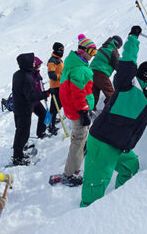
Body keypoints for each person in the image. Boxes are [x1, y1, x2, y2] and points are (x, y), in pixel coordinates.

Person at [80, 26, 147, 207]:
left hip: (119, 145)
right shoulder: (126, 84)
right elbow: (128, 61)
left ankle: (121, 202)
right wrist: (133, 38)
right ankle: (88, 217)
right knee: (94, 187)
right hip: (102, 142)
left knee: (130, 167)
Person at [54, 34, 97, 187]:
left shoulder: (75, 64)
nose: (93, 55)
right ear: (83, 51)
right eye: (92, 52)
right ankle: (69, 174)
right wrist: (84, 111)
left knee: (80, 138)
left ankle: (78, 159)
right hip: (78, 111)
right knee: (78, 140)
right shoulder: (79, 69)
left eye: (95, 52)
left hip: (75, 109)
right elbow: (78, 93)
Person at [12, 52, 46, 166]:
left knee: (20, 132)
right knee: (23, 133)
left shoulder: (17, 74)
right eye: (32, 61)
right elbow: (31, 97)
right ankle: (18, 157)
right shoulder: (27, 77)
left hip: (17, 107)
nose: (34, 63)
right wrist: (45, 94)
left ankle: (18, 154)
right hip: (24, 109)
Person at [90, 35, 122, 111]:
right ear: (117, 44)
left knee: (93, 94)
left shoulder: (102, 48)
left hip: (91, 73)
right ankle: (108, 111)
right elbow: (118, 65)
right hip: (101, 74)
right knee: (110, 93)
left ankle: (90, 111)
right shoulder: (113, 51)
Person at [47, 42, 65, 135]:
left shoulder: (59, 59)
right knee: (54, 108)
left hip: (61, 86)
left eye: (63, 50)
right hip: (55, 87)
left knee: (59, 105)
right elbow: (51, 75)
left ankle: (51, 121)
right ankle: (51, 126)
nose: (62, 52)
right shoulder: (52, 61)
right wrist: (62, 75)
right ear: (56, 50)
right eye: (60, 50)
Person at [32, 56, 50, 139]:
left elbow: (39, 86)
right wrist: (43, 95)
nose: (39, 67)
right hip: (31, 102)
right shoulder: (30, 75)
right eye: (38, 65)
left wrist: (44, 92)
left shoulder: (36, 73)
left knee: (43, 114)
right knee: (42, 114)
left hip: (36, 100)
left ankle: (41, 133)